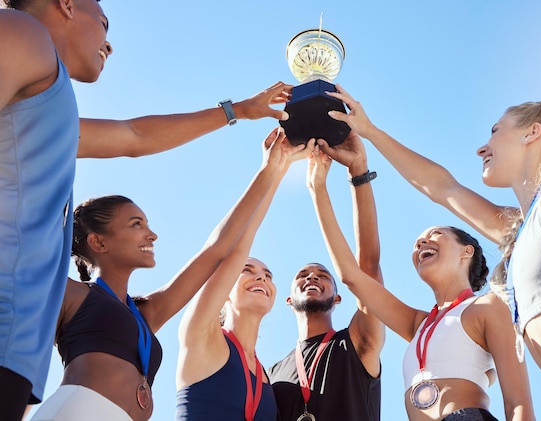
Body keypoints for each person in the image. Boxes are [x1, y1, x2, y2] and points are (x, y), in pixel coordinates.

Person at [0, 1, 292, 418]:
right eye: (103, 23)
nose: (110, 44)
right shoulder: (22, 34)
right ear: (66, 4)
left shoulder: (52, 112)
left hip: (18, 369)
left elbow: (135, 136)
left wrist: (253, 136)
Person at [325, 85, 541, 420]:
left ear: (532, 132)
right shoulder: (517, 229)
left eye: (496, 131)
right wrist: (369, 131)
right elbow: (441, 187)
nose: (482, 147)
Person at [28, 129, 308, 421]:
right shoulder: (72, 294)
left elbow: (216, 251)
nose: (152, 234)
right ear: (99, 242)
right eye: (136, 224)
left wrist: (271, 168)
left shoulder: (146, 312)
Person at [306, 144, 535, 420]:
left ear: (467, 251)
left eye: (436, 234)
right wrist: (317, 189)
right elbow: (351, 276)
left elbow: (518, 401)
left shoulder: (489, 307)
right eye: (417, 243)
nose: (421, 242)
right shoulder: (418, 324)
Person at [175, 130, 313, 421]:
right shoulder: (201, 335)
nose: (261, 278)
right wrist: (275, 169)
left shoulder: (266, 376)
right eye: (247, 270)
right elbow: (236, 245)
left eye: (267, 274)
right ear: (225, 288)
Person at [268, 131, 385, 421]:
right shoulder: (270, 374)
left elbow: (367, 270)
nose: (311, 278)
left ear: (338, 296)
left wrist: (327, 184)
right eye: (302, 275)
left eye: (322, 275)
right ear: (287, 300)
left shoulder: (356, 343)